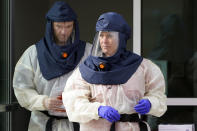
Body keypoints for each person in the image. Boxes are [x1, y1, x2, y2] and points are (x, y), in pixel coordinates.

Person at [62, 12, 167, 131]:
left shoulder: (142, 67)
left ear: (121, 38)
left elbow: (159, 97)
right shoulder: (86, 70)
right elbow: (73, 103)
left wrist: (150, 103)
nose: (104, 40)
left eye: (110, 36)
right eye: (101, 35)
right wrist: (98, 110)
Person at [13, 1, 91, 131]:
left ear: (74, 26)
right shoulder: (33, 53)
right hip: (42, 125)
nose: (64, 32)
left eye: (68, 26)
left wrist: (81, 101)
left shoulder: (88, 53)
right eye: (59, 26)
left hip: (79, 125)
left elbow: (101, 86)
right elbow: (21, 88)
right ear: (50, 25)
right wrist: (43, 102)